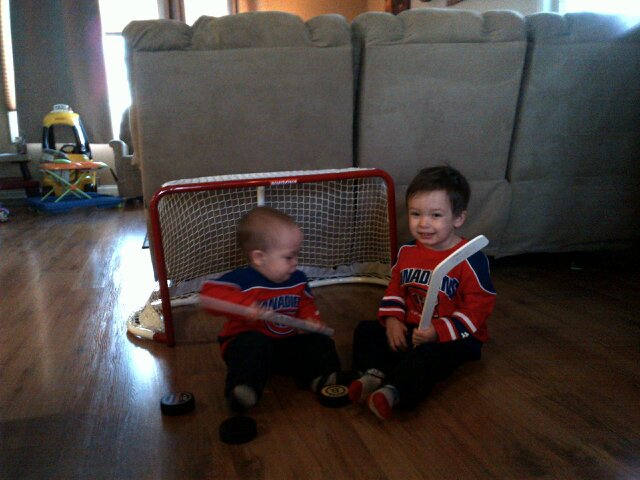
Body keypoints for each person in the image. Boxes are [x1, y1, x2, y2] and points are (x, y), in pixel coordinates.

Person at [348, 166, 496, 419]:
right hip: (413, 325)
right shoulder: (407, 252)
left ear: (458, 218)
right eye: (416, 214)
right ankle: (372, 375)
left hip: (457, 336)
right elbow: (396, 287)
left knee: (427, 356)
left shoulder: (470, 259)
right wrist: (393, 320)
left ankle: (394, 392)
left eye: (436, 215)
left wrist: (438, 332)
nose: (423, 223)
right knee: (367, 331)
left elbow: (479, 307)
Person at [200, 206, 341, 412]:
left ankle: (322, 377)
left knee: (320, 341)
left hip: (285, 345)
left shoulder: (298, 279)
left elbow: (305, 303)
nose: (296, 263)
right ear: (259, 257)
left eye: (296, 255)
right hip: (251, 348)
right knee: (251, 344)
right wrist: (244, 306)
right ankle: (244, 390)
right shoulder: (242, 279)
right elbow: (208, 294)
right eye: (288, 257)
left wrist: (310, 319)